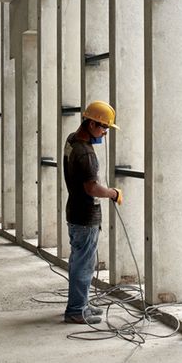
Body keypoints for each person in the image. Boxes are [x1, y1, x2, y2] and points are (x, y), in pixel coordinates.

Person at [63, 100, 123, 325]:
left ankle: (82, 304)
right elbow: (91, 188)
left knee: (79, 261)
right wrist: (113, 193)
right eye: (103, 127)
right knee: (84, 264)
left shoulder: (71, 140)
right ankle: (77, 310)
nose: (105, 133)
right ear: (90, 124)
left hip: (74, 212)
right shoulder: (86, 154)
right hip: (85, 216)